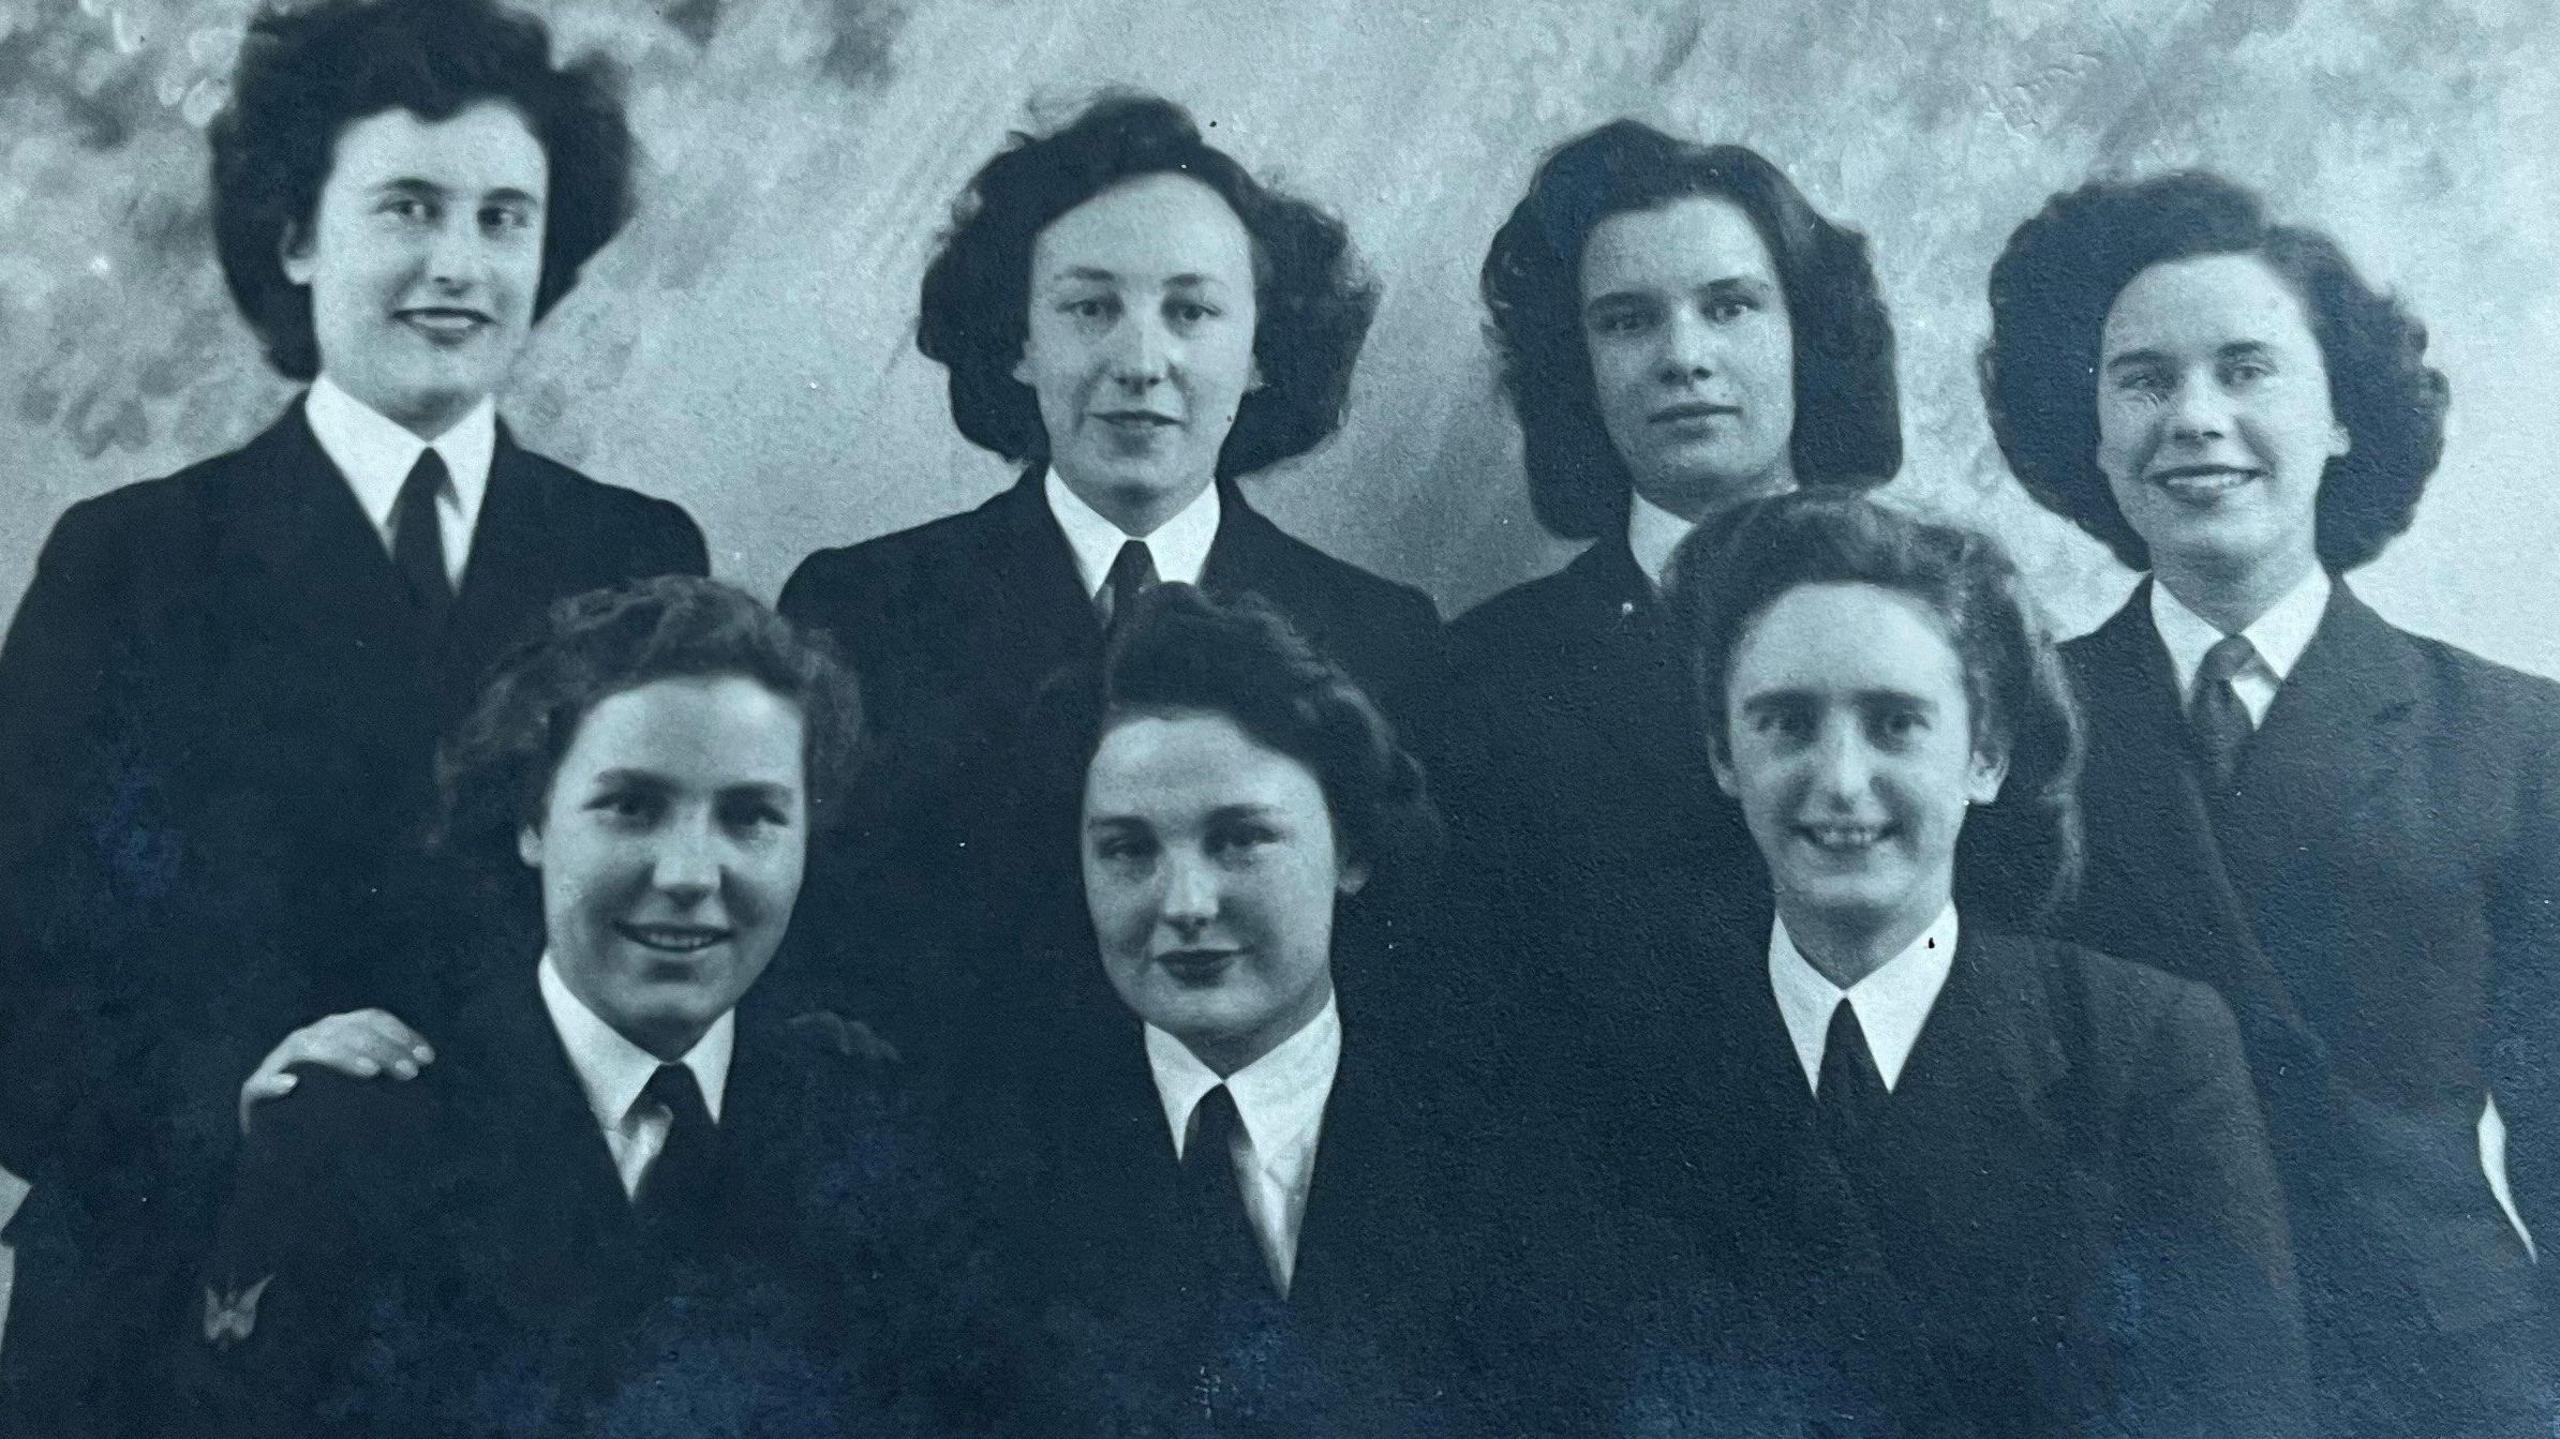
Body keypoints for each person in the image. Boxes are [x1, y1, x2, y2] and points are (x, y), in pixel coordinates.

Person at [0, 2, 705, 1431]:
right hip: (181, 1292)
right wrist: (237, 1088)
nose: (461, 263)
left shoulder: (639, 555)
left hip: (526, 1306)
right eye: (409, 208)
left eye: (507, 217)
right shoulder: (128, 561)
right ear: (297, 236)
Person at [1980, 171, 2557, 1435]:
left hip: (2446, 1381)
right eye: (2143, 380)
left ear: (2342, 416)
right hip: (2136, 1373)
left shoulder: (2518, 736)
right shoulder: (2011, 730)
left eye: (2246, 371)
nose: (2195, 418)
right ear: (2088, 430)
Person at [1550, 491, 2308, 1436]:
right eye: (1786, 722)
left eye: (1895, 722)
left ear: (1984, 755)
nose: (1840, 780)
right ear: (1723, 755)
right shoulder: (1618, 1051)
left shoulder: (2145, 1049)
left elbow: (2236, 1413)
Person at [173, 577, 996, 1438]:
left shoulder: (872, 1135)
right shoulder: (355, 1135)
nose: (688, 874)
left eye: (751, 816)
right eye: (632, 807)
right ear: (533, 820)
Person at [774, 93, 1441, 1071]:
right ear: (1017, 341)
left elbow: (1408, 981)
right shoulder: (861, 607)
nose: (1140, 360)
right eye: (1089, 308)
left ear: (1259, 352)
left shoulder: (1382, 634)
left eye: (1191, 311)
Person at [955, 583, 1503, 1436]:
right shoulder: (981, 1170)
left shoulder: (1506, 1159)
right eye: (1129, 849)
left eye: (1240, 839)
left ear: (1351, 849)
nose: (1186, 903)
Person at [1428, 122, 1900, 1053]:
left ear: (1806, 338)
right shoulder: (1483, 677)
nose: (1683, 356)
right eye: (1628, 319)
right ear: (1578, 369)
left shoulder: (1941, 623)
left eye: (1730, 307)